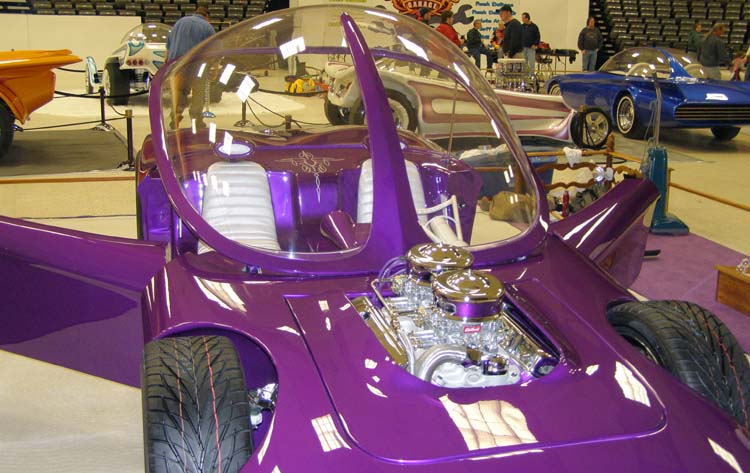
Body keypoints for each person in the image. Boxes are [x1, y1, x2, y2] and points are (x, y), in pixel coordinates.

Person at [166, 6, 215, 129]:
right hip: (196, 64)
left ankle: (175, 117)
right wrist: (215, 67)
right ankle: (196, 119)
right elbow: (214, 50)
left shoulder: (179, 22)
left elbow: (168, 45)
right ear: (207, 16)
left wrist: (166, 63)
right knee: (198, 91)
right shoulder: (207, 27)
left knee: (179, 91)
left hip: (177, 63)